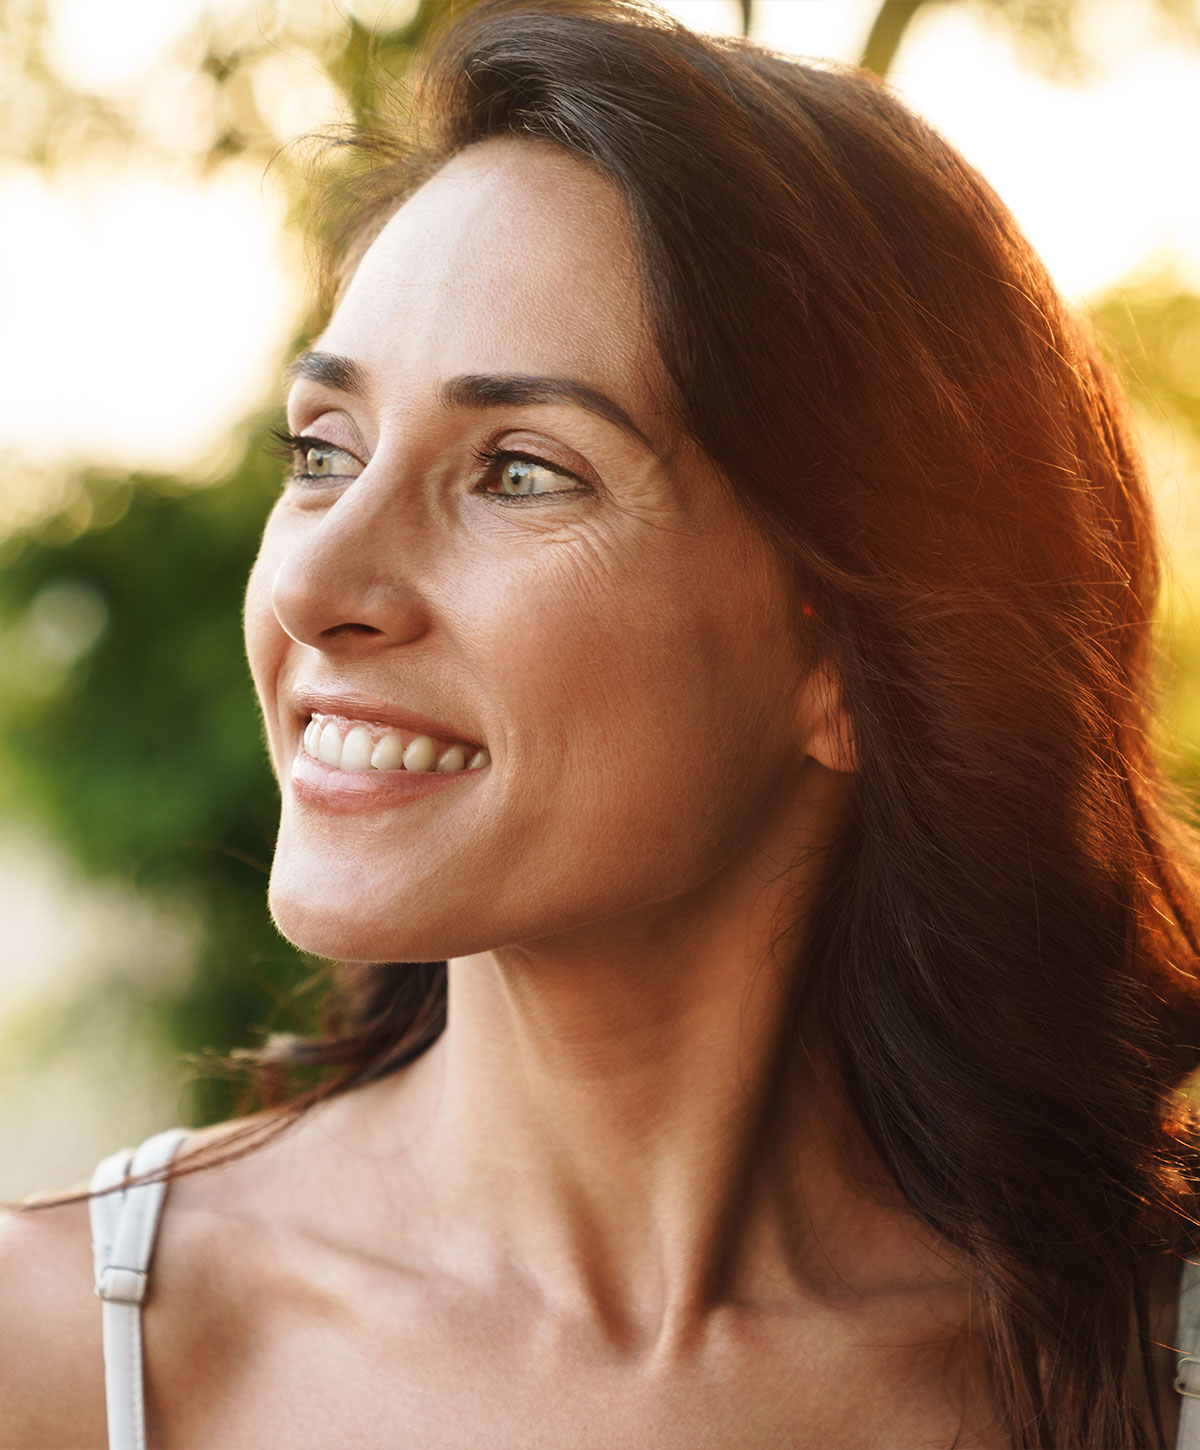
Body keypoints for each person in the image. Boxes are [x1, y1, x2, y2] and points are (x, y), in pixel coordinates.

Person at [3, 0, 1199, 1445]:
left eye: (520, 471)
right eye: (323, 450)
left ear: (851, 657)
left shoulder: (1146, 1371)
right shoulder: (63, 1351)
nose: (315, 583)